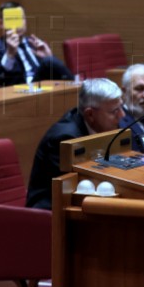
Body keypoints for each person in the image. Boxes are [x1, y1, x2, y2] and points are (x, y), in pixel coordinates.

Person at [26, 78, 124, 210]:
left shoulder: (104, 125)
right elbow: (79, 186)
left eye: (121, 107)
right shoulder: (65, 139)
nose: (122, 115)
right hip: (49, 211)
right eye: (114, 111)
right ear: (90, 114)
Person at [0, 1, 73, 88]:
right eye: (12, 19)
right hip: (21, 91)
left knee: (49, 61)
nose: (19, 24)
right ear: (1, 23)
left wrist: (48, 55)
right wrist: (9, 55)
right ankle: (81, 88)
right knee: (48, 62)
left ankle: (78, 87)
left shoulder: (32, 43)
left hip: (43, 87)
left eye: (21, 18)